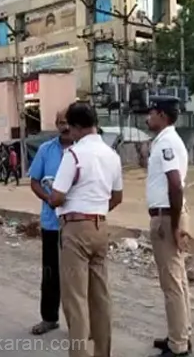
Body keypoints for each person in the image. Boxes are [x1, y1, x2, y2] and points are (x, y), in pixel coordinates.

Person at [48, 102, 123, 357]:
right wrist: (96, 210)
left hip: (75, 230)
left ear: (77, 126)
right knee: (100, 297)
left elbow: (57, 197)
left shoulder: (74, 155)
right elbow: (117, 197)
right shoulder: (112, 155)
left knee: (76, 300)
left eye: (70, 126)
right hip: (100, 226)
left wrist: (55, 199)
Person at [144, 96, 192, 357]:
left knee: (172, 283)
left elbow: (175, 184)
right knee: (179, 280)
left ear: (161, 114)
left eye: (151, 113)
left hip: (166, 216)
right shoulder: (165, 141)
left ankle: (179, 345)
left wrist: (173, 225)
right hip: (168, 214)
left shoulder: (168, 142)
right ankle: (181, 334)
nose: (147, 117)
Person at [27, 109, 73, 336]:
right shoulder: (46, 150)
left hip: (76, 223)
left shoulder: (82, 151)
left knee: (76, 274)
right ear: (56, 124)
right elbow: (34, 181)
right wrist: (48, 199)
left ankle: (79, 322)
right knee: (50, 273)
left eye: (68, 122)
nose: (64, 127)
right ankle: (49, 318)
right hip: (51, 223)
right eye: (61, 122)